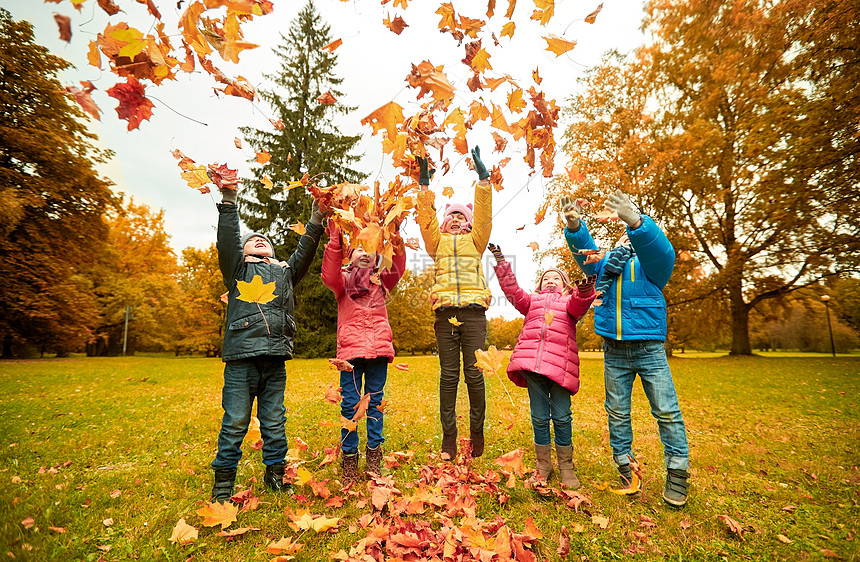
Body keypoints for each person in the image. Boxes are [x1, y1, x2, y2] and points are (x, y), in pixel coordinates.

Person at [561, 189, 691, 506]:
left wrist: (637, 222)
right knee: (617, 413)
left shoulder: (653, 267)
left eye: (632, 233)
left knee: (666, 411)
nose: (627, 238)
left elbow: (661, 251)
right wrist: (576, 229)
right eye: (625, 233)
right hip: (614, 350)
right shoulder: (605, 265)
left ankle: (677, 473)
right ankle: (625, 466)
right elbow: (585, 255)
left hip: (649, 349)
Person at [210, 185, 324, 503]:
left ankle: (275, 475)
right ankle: (223, 485)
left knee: (275, 421)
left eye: (265, 241)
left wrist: (316, 219)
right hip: (241, 360)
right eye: (252, 241)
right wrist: (229, 202)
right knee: (235, 422)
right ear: (244, 252)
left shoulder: (285, 273)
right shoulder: (238, 269)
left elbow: (304, 253)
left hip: (274, 362)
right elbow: (228, 241)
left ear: (273, 252)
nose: (259, 240)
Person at [489, 242, 597, 488]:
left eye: (557, 278)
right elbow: (513, 291)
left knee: (561, 417)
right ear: (538, 285)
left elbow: (580, 304)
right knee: (539, 417)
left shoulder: (569, 302)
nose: (551, 280)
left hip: (560, 368)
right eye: (546, 277)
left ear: (565, 285)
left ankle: (566, 466)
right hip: (533, 367)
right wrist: (501, 262)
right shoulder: (531, 302)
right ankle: (543, 464)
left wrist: (585, 291)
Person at [415, 147, 493, 459]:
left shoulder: (477, 241)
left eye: (462, 216)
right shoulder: (437, 243)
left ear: (469, 223)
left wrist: (484, 180)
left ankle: (476, 435)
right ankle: (449, 438)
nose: (457, 219)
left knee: (474, 374)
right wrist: (424, 187)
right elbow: (425, 221)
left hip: (473, 314)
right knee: (449, 376)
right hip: (445, 314)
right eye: (452, 216)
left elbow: (485, 216)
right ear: (445, 224)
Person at [321, 219, 406, 482]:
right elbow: (329, 273)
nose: (365, 252)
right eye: (359, 248)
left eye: (370, 248)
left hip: (379, 350)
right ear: (350, 256)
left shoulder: (381, 281)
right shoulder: (342, 282)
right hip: (351, 353)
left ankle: (373, 458)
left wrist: (394, 234)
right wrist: (335, 236)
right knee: (350, 404)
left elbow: (398, 267)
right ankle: (349, 460)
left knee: (375, 403)